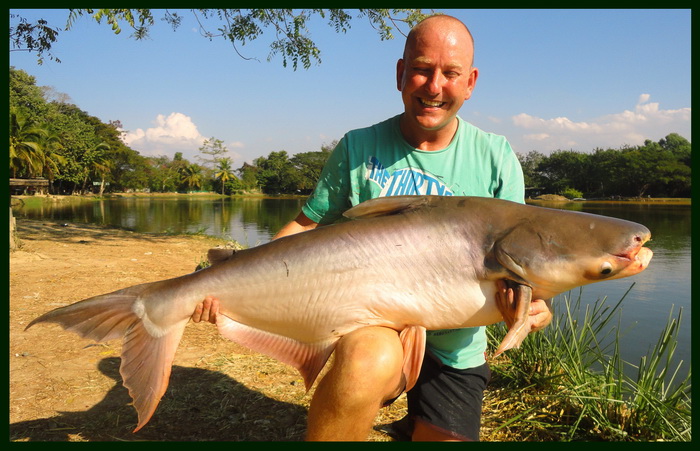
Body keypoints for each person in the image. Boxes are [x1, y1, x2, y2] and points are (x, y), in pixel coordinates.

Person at [192, 14, 553, 441]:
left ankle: (418, 419)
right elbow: (305, 226)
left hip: (457, 349)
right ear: (401, 74)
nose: (434, 86)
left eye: (450, 73)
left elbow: (522, 264)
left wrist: (537, 307)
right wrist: (232, 277)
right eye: (421, 69)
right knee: (366, 362)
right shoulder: (358, 147)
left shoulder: (496, 158)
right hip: (376, 329)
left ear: (470, 82)